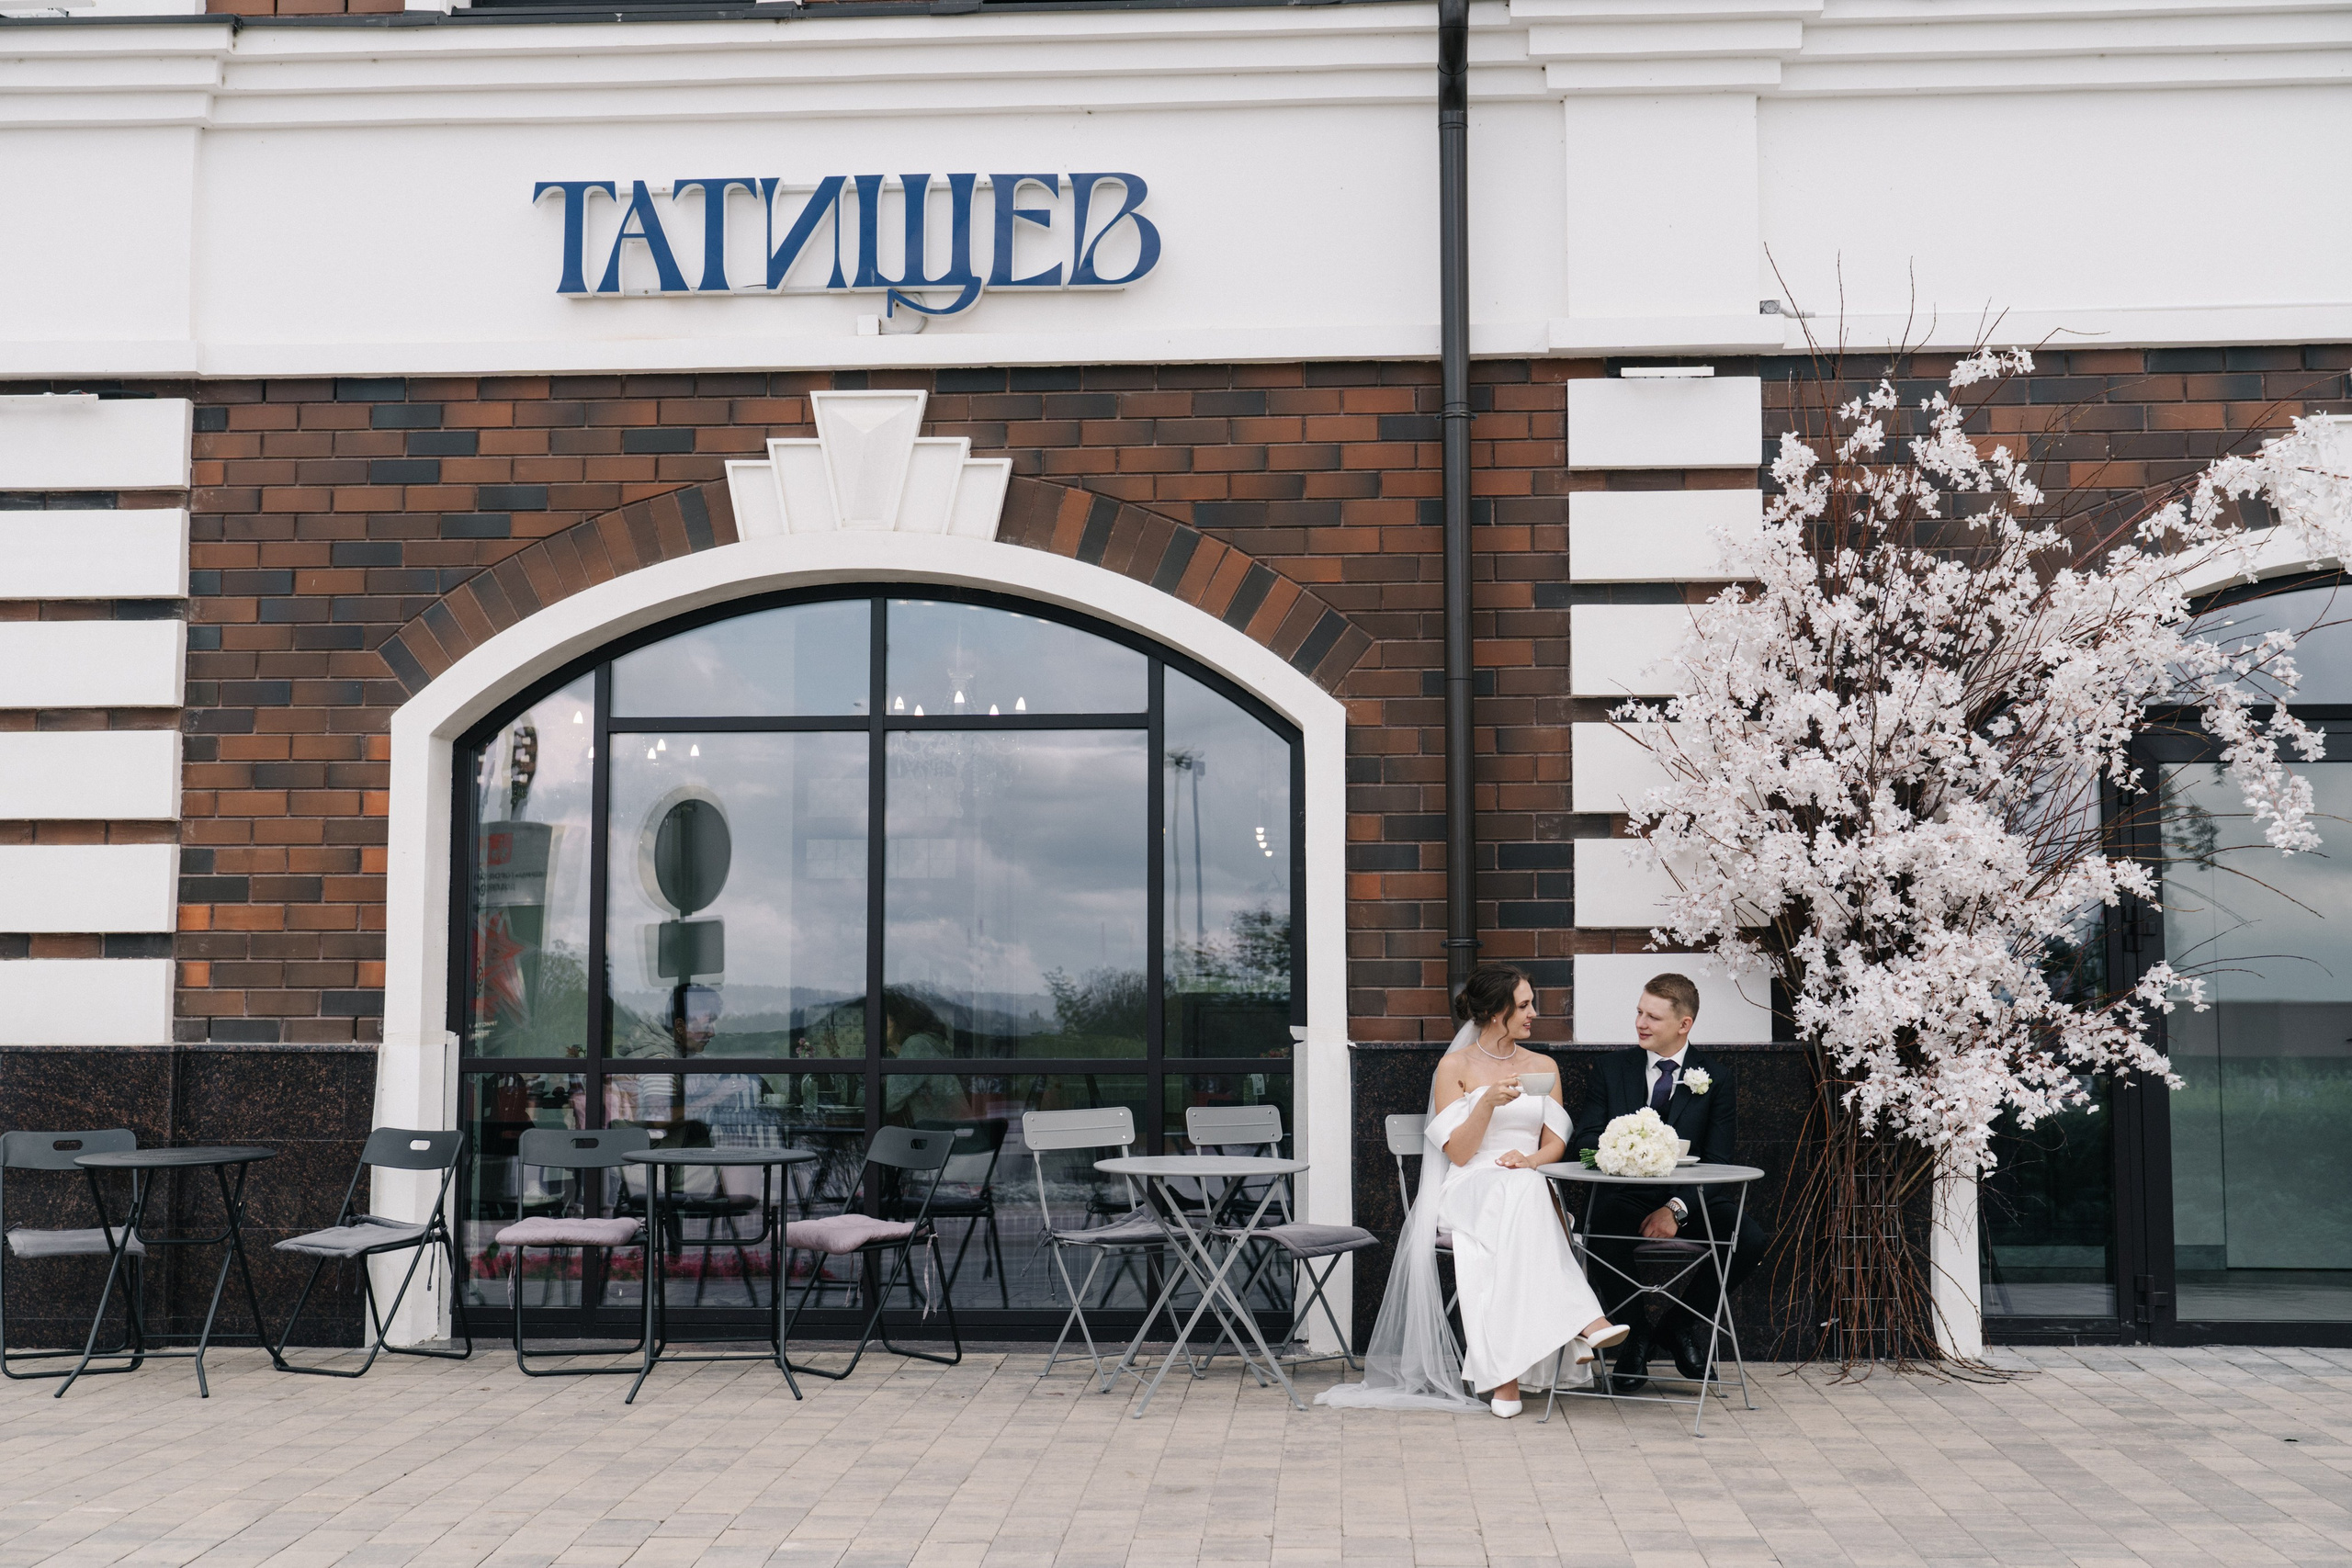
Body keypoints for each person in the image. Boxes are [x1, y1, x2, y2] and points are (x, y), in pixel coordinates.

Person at [1321, 964, 1626, 1418]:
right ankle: (1584, 1320)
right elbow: (1460, 1154)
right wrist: (1485, 1103)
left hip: (1527, 1181)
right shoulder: (1454, 1067)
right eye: (1523, 1006)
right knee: (1522, 1197)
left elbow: (1557, 1143)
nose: (1533, 1014)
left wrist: (1531, 1161)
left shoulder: (1543, 1067)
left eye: (1531, 1004)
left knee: (1510, 1220)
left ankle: (1506, 1381)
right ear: (1495, 1012)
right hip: (1469, 1186)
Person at [1570, 973, 1770, 1393]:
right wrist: (1620, 1146)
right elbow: (1585, 1141)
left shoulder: (1715, 1078)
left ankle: (1678, 1326)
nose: (1641, 1023)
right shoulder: (1610, 1070)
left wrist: (1676, 1210)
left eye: (1654, 1017)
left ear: (1684, 1024)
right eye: (1639, 1013)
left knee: (1747, 1236)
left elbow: (1718, 1163)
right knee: (1602, 1225)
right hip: (1624, 1194)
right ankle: (1635, 1335)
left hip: (1690, 1198)